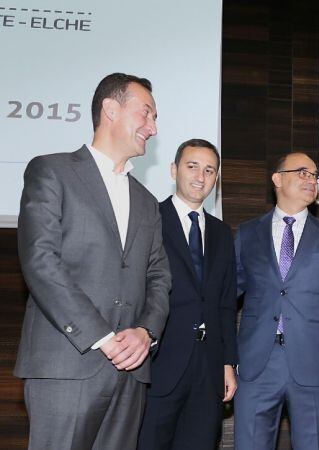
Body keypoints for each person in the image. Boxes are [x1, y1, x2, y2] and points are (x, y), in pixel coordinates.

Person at [14, 73, 171, 449]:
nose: (153, 127)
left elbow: (159, 277)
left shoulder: (147, 201)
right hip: (66, 365)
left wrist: (145, 333)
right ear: (111, 109)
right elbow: (40, 261)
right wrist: (103, 337)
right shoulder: (51, 171)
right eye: (146, 113)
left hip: (130, 373)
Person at [233, 152, 319, 449]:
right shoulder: (248, 233)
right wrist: (226, 359)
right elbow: (226, 299)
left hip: (314, 366)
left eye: (314, 175)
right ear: (277, 179)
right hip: (255, 365)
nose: (311, 180)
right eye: (302, 172)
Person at [138, 139, 238, 449]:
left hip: (208, 370)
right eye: (192, 166)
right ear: (173, 170)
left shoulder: (222, 233)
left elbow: (225, 303)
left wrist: (228, 363)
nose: (200, 176)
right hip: (159, 363)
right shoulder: (149, 219)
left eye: (210, 170)